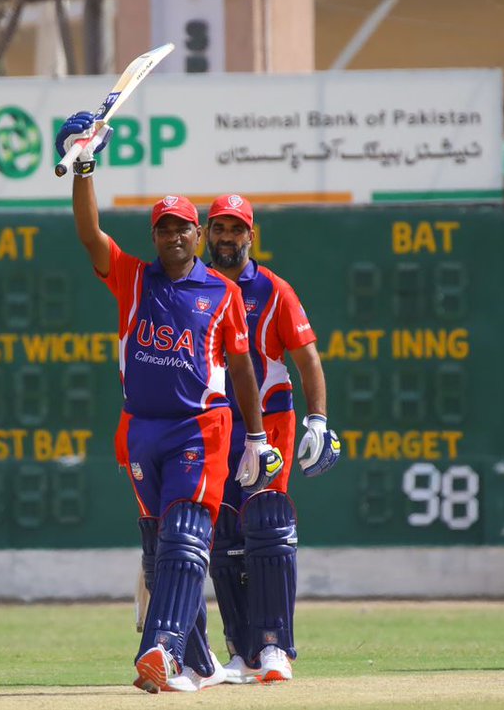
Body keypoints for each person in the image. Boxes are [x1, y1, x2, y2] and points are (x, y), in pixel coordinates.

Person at [58, 112, 281, 693]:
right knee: (160, 549)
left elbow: (240, 368)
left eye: (184, 228)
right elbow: (88, 234)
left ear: (198, 235)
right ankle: (200, 663)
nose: (174, 236)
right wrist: (85, 166)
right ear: (155, 236)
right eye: (164, 228)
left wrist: (254, 437)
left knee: (185, 536)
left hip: (200, 427)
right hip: (142, 429)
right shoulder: (134, 279)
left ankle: (160, 650)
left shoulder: (223, 292)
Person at [202, 193, 341, 684]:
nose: (226, 238)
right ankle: (240, 650)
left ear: (250, 235)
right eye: (218, 229)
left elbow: (308, 361)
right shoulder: (193, 287)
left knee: (268, 532)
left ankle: (275, 646)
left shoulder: (275, 290)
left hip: (270, 425)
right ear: (206, 234)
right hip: (214, 425)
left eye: (236, 230)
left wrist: (318, 421)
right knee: (223, 539)